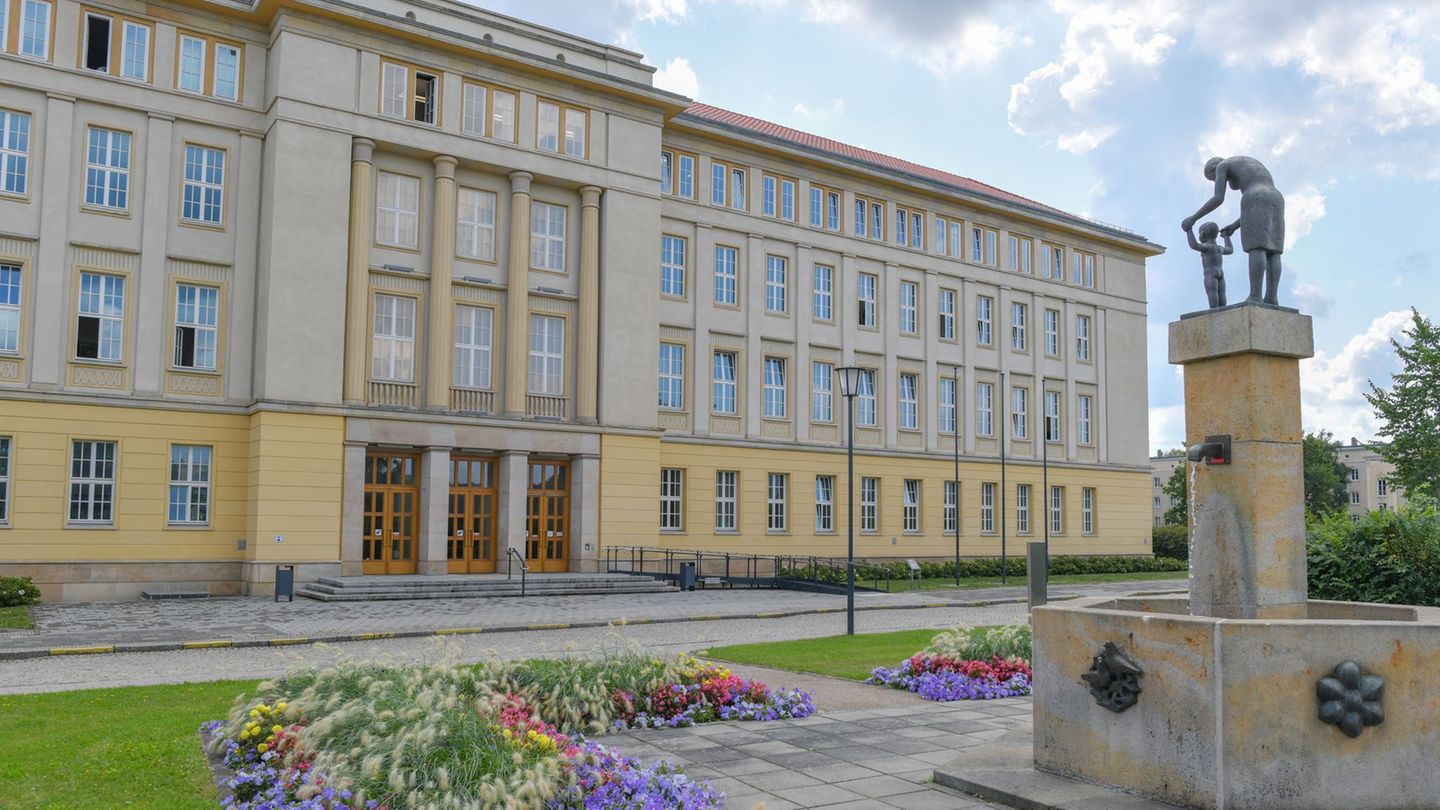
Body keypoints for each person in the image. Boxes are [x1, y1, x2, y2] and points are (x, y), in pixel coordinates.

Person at [1181, 156, 1285, 305]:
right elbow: (1255, 212)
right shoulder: (1248, 164)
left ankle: (1255, 295)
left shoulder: (1223, 165)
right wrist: (1235, 226)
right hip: (1276, 198)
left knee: (1257, 248)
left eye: (1214, 179)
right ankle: (1271, 297)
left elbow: (1218, 198)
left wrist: (1194, 218)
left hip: (1254, 196)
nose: (1218, 181)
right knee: (1274, 251)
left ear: (1214, 169)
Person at [1186, 222, 1232, 308]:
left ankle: (1214, 309)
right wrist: (1226, 237)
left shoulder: (1207, 247)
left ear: (1202, 234)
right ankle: (1223, 309)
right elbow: (1230, 250)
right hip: (1220, 272)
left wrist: (1189, 231)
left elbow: (1194, 245)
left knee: (1212, 292)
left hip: (1210, 273)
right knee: (1222, 293)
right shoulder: (1220, 248)